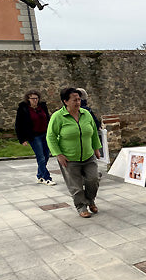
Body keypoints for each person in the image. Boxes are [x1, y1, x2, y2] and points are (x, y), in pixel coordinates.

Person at [47, 87, 102, 218]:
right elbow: (51, 137)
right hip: (69, 158)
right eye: (74, 100)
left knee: (93, 180)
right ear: (65, 101)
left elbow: (93, 132)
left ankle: (90, 200)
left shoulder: (86, 114)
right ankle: (81, 206)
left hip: (89, 155)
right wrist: (58, 154)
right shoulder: (58, 117)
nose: (78, 102)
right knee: (76, 186)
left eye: (79, 99)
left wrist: (96, 148)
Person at [14, 90, 56, 185]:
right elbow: (18, 125)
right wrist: (22, 139)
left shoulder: (42, 107)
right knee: (40, 157)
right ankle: (47, 178)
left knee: (46, 156)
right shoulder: (23, 109)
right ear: (28, 99)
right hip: (34, 136)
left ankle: (40, 175)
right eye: (32, 98)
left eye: (36, 98)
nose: (35, 100)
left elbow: (48, 119)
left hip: (45, 134)